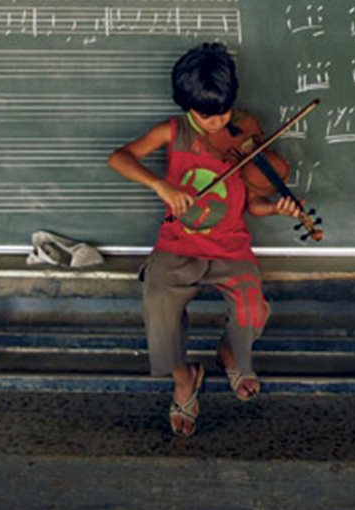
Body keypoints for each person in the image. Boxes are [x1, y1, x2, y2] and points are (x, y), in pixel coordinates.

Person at [107, 42, 304, 437]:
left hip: (231, 248)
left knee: (253, 311)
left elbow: (253, 203)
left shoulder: (244, 133)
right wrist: (160, 185)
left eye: (224, 113)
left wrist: (276, 208)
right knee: (158, 309)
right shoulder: (172, 131)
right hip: (178, 245)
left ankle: (230, 351)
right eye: (207, 116)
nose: (218, 123)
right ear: (187, 107)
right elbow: (120, 157)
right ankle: (184, 379)